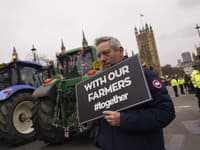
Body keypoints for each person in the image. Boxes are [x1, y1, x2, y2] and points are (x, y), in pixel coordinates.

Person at [94, 36, 175, 150]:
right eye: (99, 55)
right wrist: (100, 139)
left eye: (106, 53)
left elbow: (166, 112)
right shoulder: (100, 83)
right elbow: (102, 117)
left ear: (121, 51)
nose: (102, 59)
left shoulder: (143, 74)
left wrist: (123, 120)